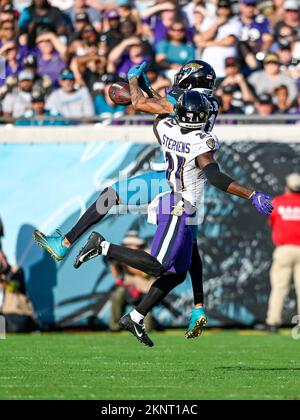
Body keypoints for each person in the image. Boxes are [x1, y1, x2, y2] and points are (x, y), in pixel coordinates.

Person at [33, 60, 219, 340]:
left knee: (113, 198)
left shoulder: (190, 102)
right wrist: (143, 84)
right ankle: (193, 307)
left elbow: (142, 105)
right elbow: (158, 101)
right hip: (189, 182)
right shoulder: (204, 103)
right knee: (187, 252)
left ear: (190, 82)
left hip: (170, 180)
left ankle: (67, 242)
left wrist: (133, 83)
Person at [73, 90, 273, 347]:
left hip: (179, 204)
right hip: (179, 205)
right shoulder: (203, 142)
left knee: (179, 271)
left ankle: (135, 316)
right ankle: (101, 245)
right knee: (158, 266)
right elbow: (215, 177)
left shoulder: (168, 128)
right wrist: (251, 194)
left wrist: (144, 89)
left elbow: (159, 118)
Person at [264, 173, 300, 332]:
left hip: (284, 249)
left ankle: (273, 323)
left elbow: (271, 222)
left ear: (287, 186)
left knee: (279, 287)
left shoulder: (278, 202)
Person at [108, 231, 154, 332]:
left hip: (145, 290)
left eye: (131, 243)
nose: (128, 246)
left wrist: (126, 260)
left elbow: (144, 273)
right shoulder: (124, 256)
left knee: (147, 327)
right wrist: (113, 263)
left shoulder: (147, 253)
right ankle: (115, 327)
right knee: (117, 294)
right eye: (127, 244)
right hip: (129, 290)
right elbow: (116, 275)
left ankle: (144, 329)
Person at [195, 0, 242, 78]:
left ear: (230, 9)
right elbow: (200, 39)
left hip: (226, 69)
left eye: (225, 7)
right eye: (220, 7)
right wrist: (216, 24)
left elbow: (230, 41)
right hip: (207, 67)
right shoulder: (210, 21)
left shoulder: (235, 22)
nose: (223, 10)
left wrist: (207, 44)